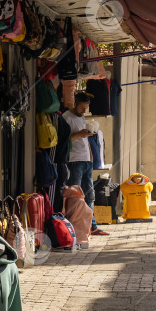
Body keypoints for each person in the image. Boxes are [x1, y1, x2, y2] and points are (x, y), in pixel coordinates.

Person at [62, 92, 108, 236]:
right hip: (74, 161)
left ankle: (91, 226)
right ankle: (75, 226)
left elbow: (84, 139)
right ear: (74, 104)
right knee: (75, 196)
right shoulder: (66, 118)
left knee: (90, 195)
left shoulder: (81, 118)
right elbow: (63, 141)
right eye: (82, 108)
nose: (84, 111)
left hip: (87, 160)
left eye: (86, 108)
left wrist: (91, 156)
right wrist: (79, 135)